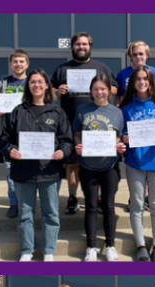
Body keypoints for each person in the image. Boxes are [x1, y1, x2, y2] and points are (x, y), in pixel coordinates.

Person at [0, 68, 73, 262]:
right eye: (33, 82)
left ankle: (48, 251)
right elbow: (4, 138)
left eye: (40, 81)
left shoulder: (57, 112)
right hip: (24, 173)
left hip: (50, 172)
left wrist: (62, 152)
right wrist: (10, 150)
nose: (37, 85)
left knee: (51, 213)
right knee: (25, 214)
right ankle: (27, 250)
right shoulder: (17, 111)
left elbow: (67, 141)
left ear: (47, 85)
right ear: (28, 86)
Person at [51, 32, 118, 215]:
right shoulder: (62, 68)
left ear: (90, 46)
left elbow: (114, 88)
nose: (81, 47)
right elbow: (49, 91)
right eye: (77, 44)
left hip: (97, 123)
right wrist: (57, 91)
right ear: (72, 47)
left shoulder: (101, 67)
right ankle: (72, 198)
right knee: (73, 164)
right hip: (71, 124)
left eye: (84, 44)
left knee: (96, 162)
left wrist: (101, 90)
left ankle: (96, 198)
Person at [120, 65, 155, 261]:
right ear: (133, 83)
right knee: (136, 205)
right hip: (135, 162)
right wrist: (125, 137)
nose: (142, 82)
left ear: (151, 82)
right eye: (138, 79)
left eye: (146, 79)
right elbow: (121, 131)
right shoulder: (126, 108)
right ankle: (141, 245)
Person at [73, 75, 126, 262]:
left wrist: (119, 146)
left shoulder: (117, 112)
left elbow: (119, 137)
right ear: (91, 91)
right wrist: (78, 146)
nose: (99, 92)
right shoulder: (82, 110)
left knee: (109, 205)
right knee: (91, 206)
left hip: (109, 165)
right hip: (88, 165)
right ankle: (92, 247)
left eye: (103, 88)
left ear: (109, 91)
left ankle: (110, 245)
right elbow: (77, 134)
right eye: (96, 89)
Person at [0, 49, 29, 219]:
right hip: (8, 134)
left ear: (27, 64)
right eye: (15, 61)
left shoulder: (33, 83)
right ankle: (14, 203)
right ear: (10, 64)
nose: (18, 64)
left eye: (21, 61)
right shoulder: (3, 84)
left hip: (28, 134)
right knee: (10, 172)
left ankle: (26, 203)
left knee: (30, 170)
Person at [115, 41, 155, 106]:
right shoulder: (122, 74)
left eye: (141, 54)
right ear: (131, 56)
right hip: (129, 112)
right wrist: (119, 111)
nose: (138, 56)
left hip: (150, 112)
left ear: (147, 55)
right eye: (134, 54)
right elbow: (117, 97)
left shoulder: (153, 72)